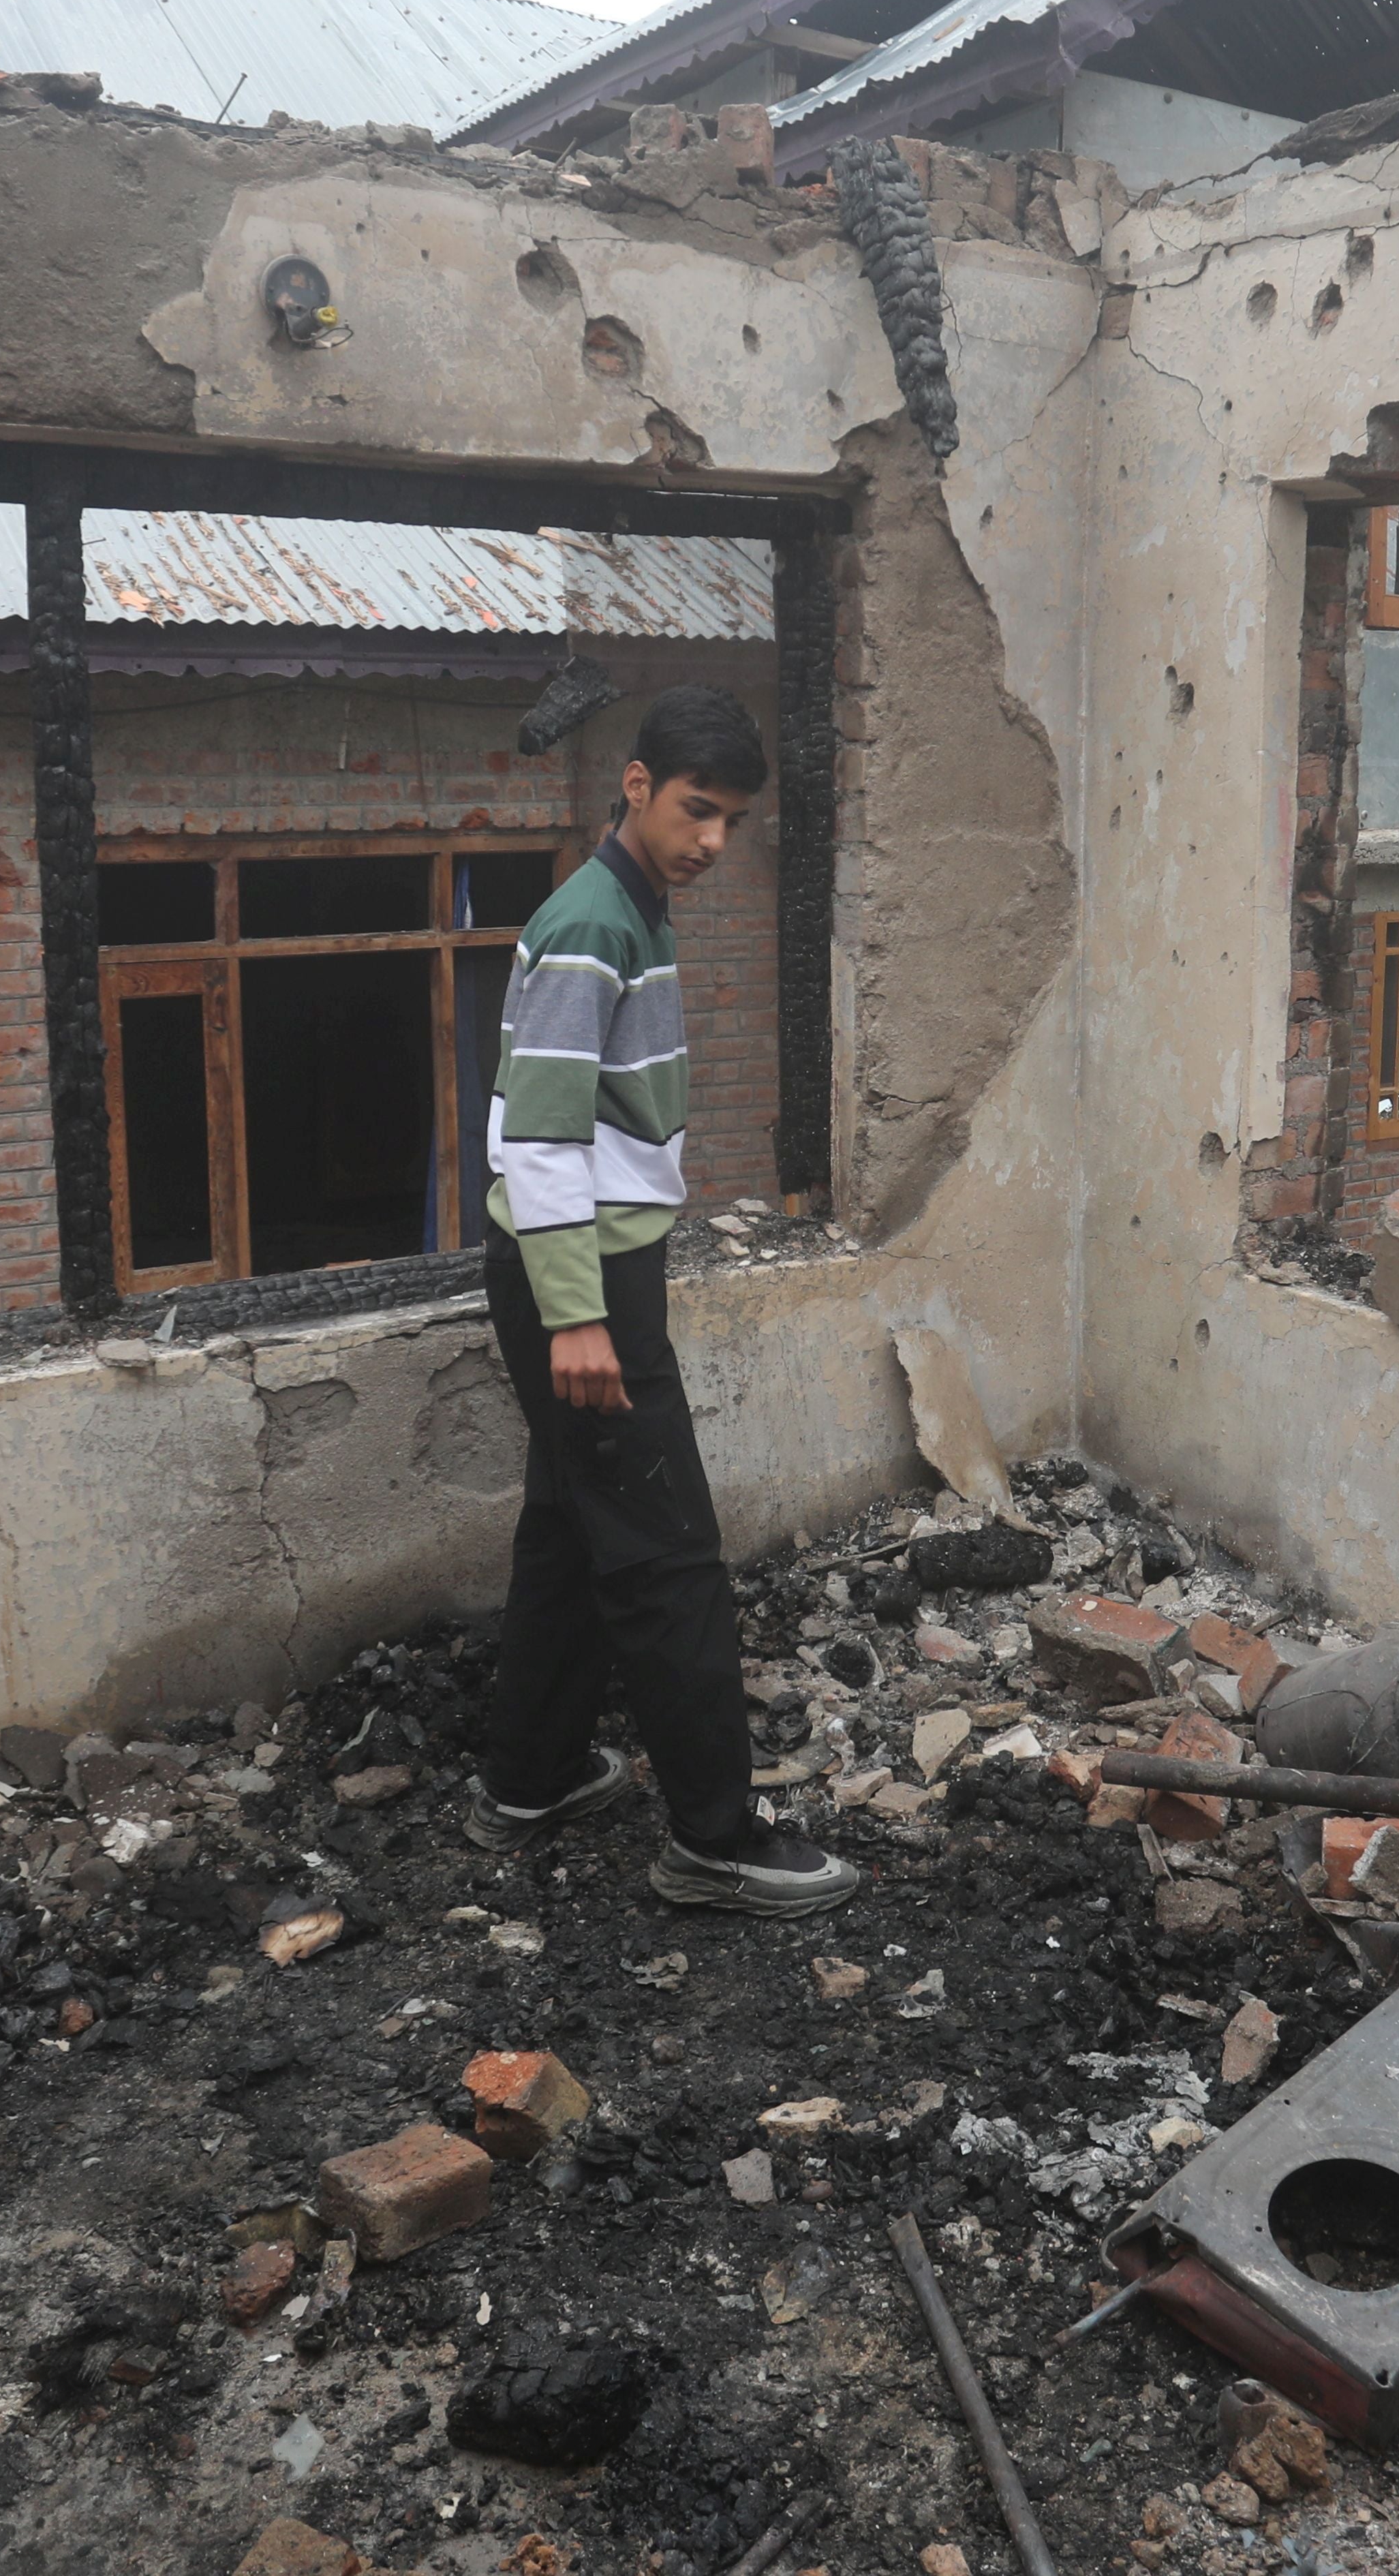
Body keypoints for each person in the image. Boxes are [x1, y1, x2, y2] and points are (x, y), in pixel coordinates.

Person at [463, 685, 859, 1918]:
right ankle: (715, 1840)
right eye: (698, 811)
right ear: (635, 786)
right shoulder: (592, 924)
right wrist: (580, 1313)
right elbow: (537, 1136)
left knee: (574, 1523)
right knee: (669, 1553)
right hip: (575, 1275)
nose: (713, 842)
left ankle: (529, 1775)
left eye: (734, 822)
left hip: (579, 1263)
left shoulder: (628, 907)